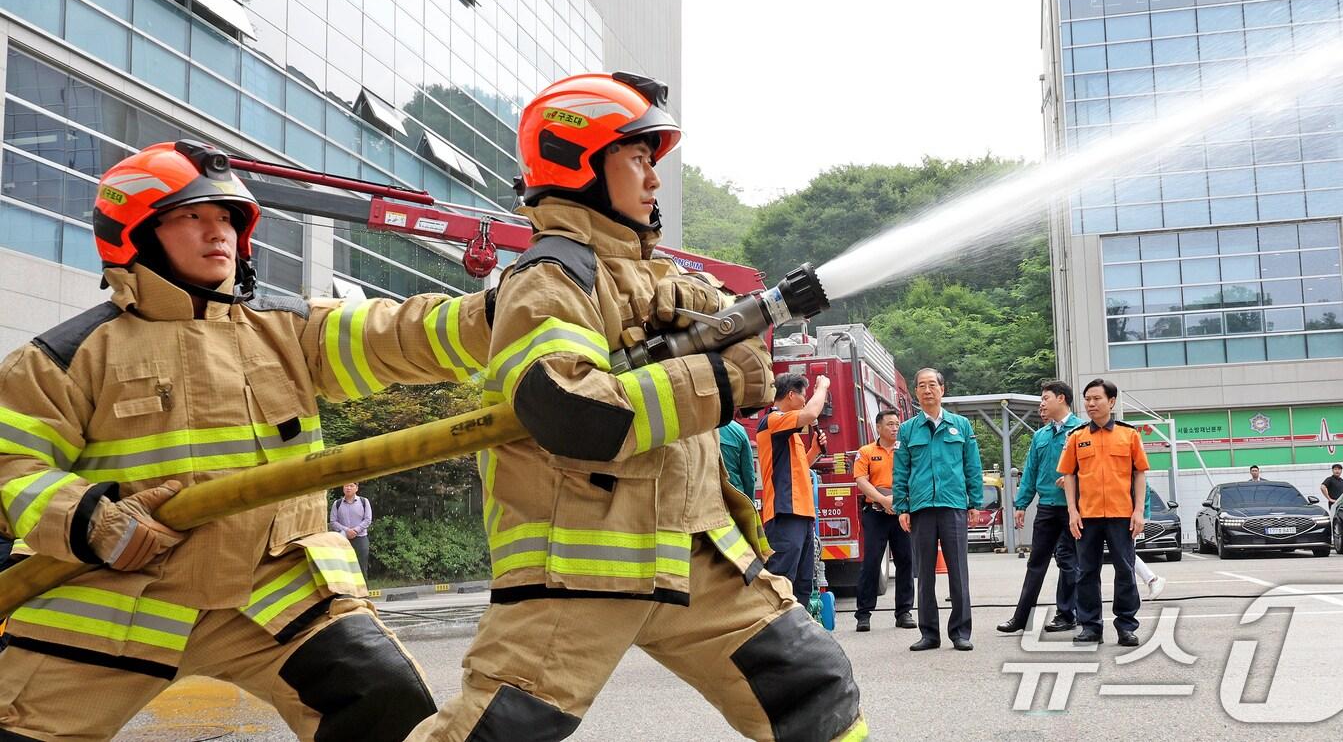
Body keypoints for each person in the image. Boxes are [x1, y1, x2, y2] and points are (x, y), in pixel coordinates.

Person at [406, 73, 864, 741]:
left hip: (693, 555)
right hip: (582, 566)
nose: (654, 179)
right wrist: (721, 382)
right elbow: (569, 410)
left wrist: (711, 326)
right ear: (579, 161)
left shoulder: (655, 275)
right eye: (639, 158)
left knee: (814, 689)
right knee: (499, 731)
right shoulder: (550, 279)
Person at [0, 140, 499, 739]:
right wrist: (93, 521)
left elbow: (403, 333)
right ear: (136, 233)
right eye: (192, 217)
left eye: (228, 219)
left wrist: (508, 311)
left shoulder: (291, 330)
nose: (219, 234)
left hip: (277, 594)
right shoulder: (63, 358)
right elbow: (11, 468)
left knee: (386, 702)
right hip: (114, 595)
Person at [894, 368, 982, 652]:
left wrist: (974, 501)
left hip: (953, 504)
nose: (927, 390)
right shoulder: (907, 430)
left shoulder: (961, 426)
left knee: (958, 571)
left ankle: (960, 632)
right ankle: (929, 634)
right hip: (920, 507)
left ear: (943, 390)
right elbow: (900, 471)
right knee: (924, 573)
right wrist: (902, 506)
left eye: (932, 385)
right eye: (921, 386)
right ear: (916, 392)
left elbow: (972, 466)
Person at [1058, 378, 1148, 647]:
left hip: (1122, 515)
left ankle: (1126, 626)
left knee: (1125, 570)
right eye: (1087, 399)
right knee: (1086, 572)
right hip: (1088, 516)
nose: (1091, 404)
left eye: (1096, 398)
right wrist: (1072, 512)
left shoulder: (1129, 435)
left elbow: (1139, 473)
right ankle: (1091, 626)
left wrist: (1139, 511)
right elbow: (1069, 476)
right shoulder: (1077, 437)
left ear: (1111, 402)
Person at [997, 380, 1083, 635]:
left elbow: (1091, 467)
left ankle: (1067, 615)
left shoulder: (1081, 430)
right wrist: (1021, 504)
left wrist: (1074, 477)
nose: (1042, 403)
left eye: (1045, 398)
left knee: (1068, 561)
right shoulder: (1041, 436)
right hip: (1046, 507)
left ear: (1061, 399)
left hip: (1073, 508)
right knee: (1036, 563)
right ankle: (1020, 618)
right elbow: (1031, 471)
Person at [757, 372, 830, 608]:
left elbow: (798, 468)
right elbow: (810, 413)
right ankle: (777, 633)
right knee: (782, 578)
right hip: (785, 511)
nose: (805, 400)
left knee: (803, 580)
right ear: (791, 394)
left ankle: (800, 632)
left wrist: (815, 451)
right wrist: (824, 386)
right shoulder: (773, 420)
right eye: (803, 395)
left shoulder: (788, 431)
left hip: (800, 512)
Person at [852, 410, 915, 632]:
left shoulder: (906, 450)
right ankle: (863, 614)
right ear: (878, 427)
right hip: (875, 512)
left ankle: (904, 612)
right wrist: (883, 500)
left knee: (906, 561)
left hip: (902, 513)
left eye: (897, 424)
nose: (894, 428)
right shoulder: (866, 451)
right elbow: (861, 480)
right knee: (871, 562)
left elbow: (913, 477)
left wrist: (899, 502)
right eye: (889, 424)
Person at [330, 482, 373, 576]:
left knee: (361, 568)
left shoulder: (364, 501)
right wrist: (347, 530)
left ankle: (363, 590)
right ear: (343, 488)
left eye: (351, 486)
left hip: (361, 539)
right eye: (346, 486)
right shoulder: (337, 504)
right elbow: (333, 522)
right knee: (344, 568)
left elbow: (368, 519)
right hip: (343, 539)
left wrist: (356, 530)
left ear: (356, 488)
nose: (348, 488)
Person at [717, 418, 757, 504]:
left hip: (704, 499)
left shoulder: (695, 429)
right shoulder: (738, 430)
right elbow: (749, 476)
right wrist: (750, 505)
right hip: (734, 498)